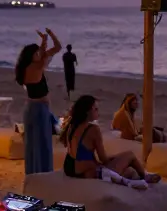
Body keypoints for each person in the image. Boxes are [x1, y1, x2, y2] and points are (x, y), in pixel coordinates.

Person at [60, 95, 159, 188]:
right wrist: (114, 158)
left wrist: (113, 158)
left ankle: (141, 176)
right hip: (90, 173)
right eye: (95, 109)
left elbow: (80, 154)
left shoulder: (71, 126)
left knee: (128, 170)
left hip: (72, 170)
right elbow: (103, 159)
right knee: (130, 156)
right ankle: (145, 176)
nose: (98, 112)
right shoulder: (93, 129)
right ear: (87, 112)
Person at [16, 29, 61, 174]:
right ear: (32, 56)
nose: (40, 54)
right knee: (43, 145)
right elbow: (58, 47)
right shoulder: (38, 66)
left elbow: (41, 53)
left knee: (32, 146)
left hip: (30, 109)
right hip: (39, 110)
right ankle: (43, 175)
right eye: (36, 53)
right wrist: (51, 34)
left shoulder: (26, 68)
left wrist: (44, 40)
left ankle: (33, 174)